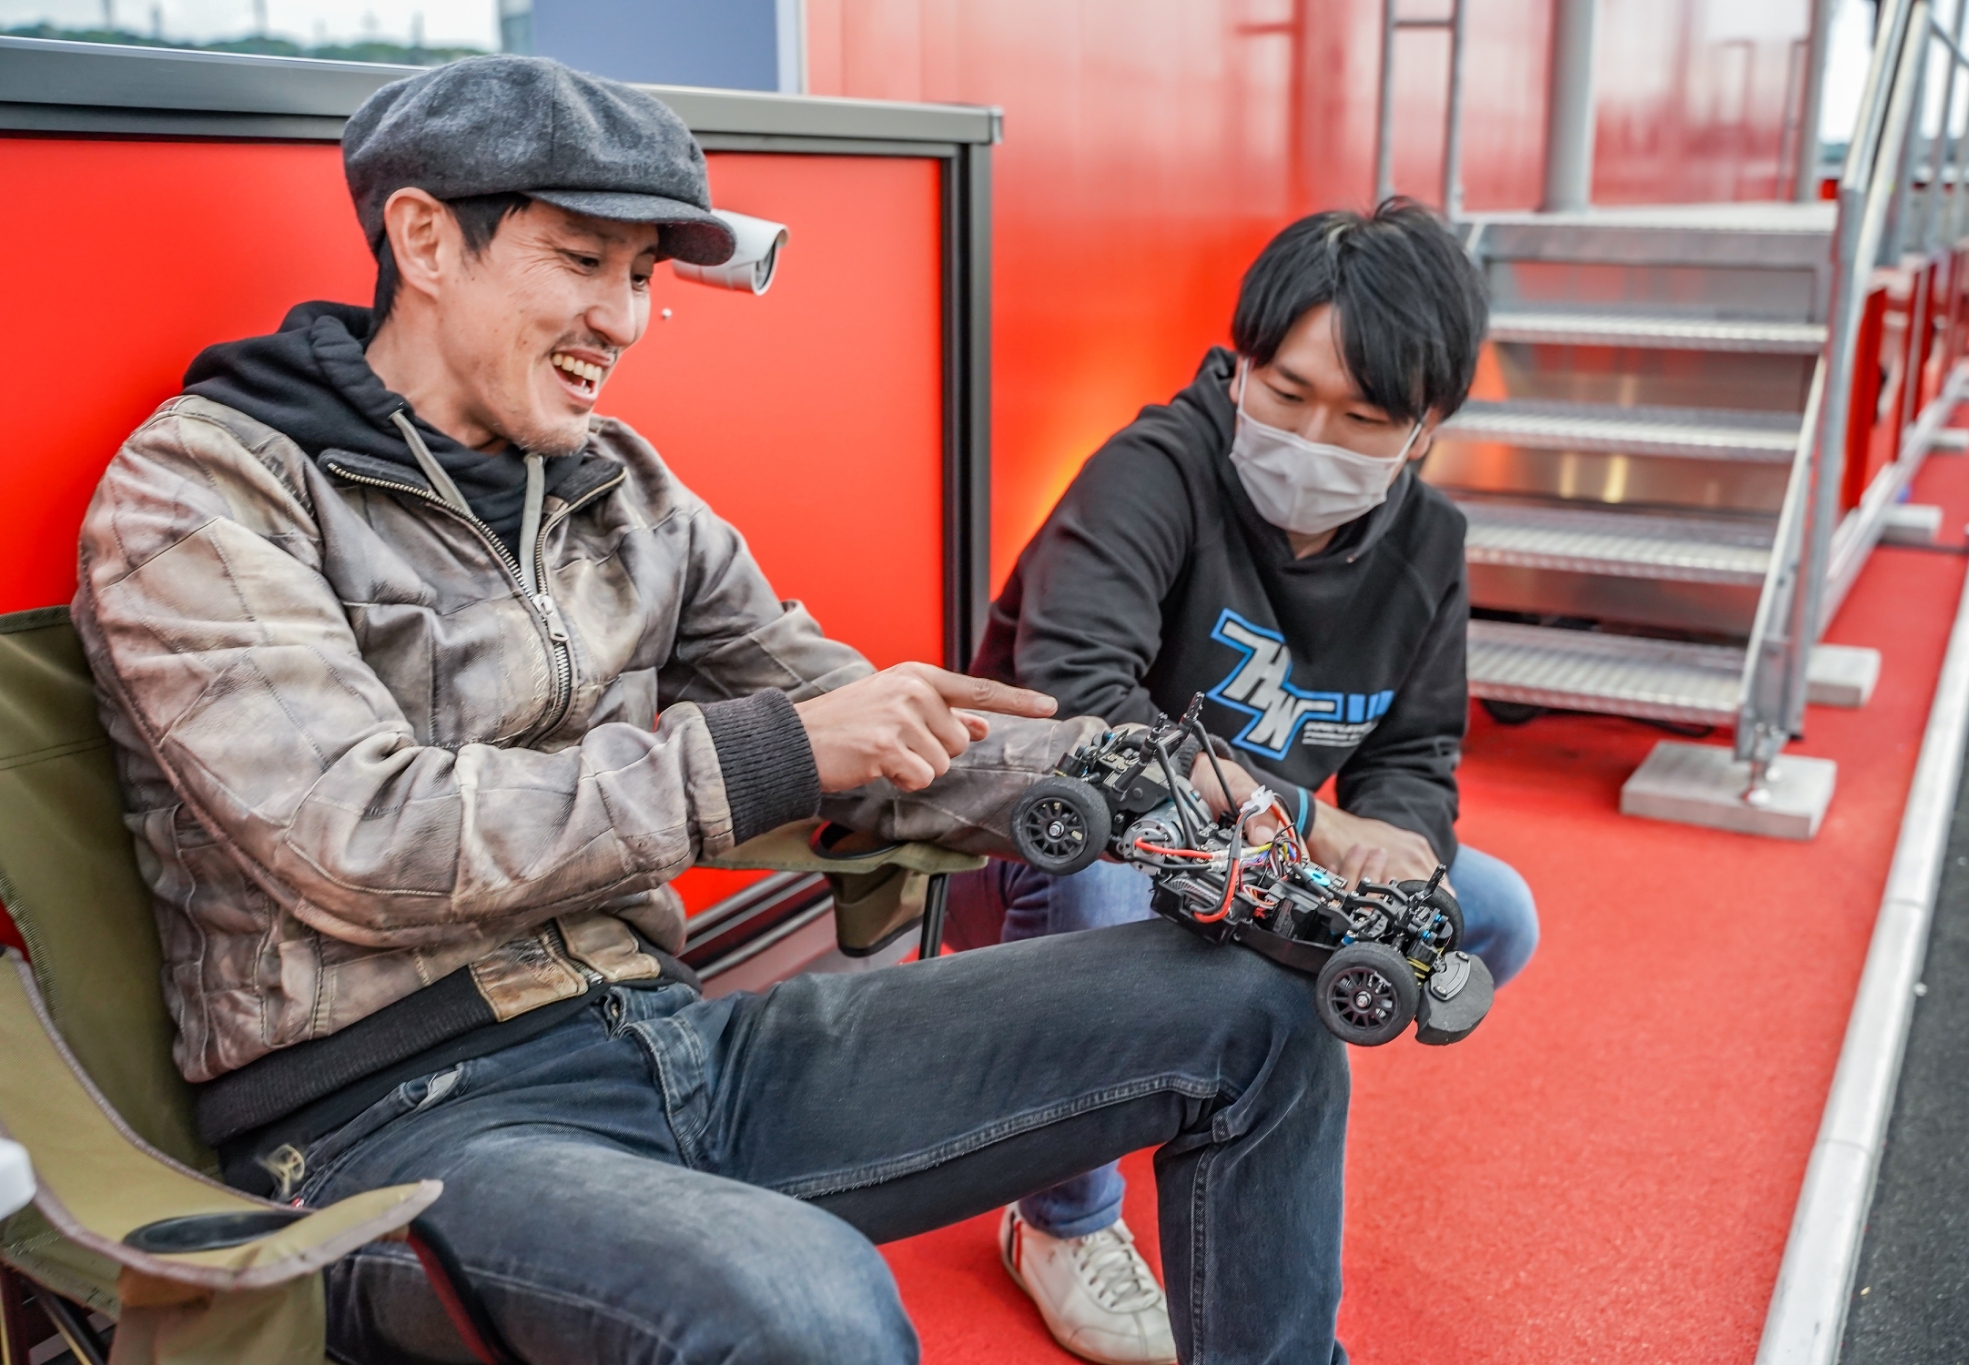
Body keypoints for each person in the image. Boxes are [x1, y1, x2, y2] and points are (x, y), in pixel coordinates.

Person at [73, 56, 1366, 1365]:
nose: (626, 319)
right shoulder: (202, 491)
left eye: (643, 275)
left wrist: (1139, 780)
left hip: (672, 1040)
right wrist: (769, 754)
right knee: (801, 1305)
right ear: (424, 240)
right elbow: (362, 839)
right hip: (392, 1129)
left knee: (1259, 1013)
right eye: (583, 260)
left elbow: (840, 711)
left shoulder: (621, 489)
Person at [946, 202, 1540, 1365]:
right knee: (1105, 885)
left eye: (1361, 419)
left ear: (1423, 429)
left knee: (1490, 912)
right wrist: (1314, 821)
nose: (1311, 438)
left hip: (1257, 864)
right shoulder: (1148, 474)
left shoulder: (1427, 544)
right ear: (1238, 364)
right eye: (1284, 393)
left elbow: (1414, 754)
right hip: (1039, 848)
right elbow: (1074, 702)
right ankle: (1061, 1222)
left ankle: (1217, 1085)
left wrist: (1401, 855)